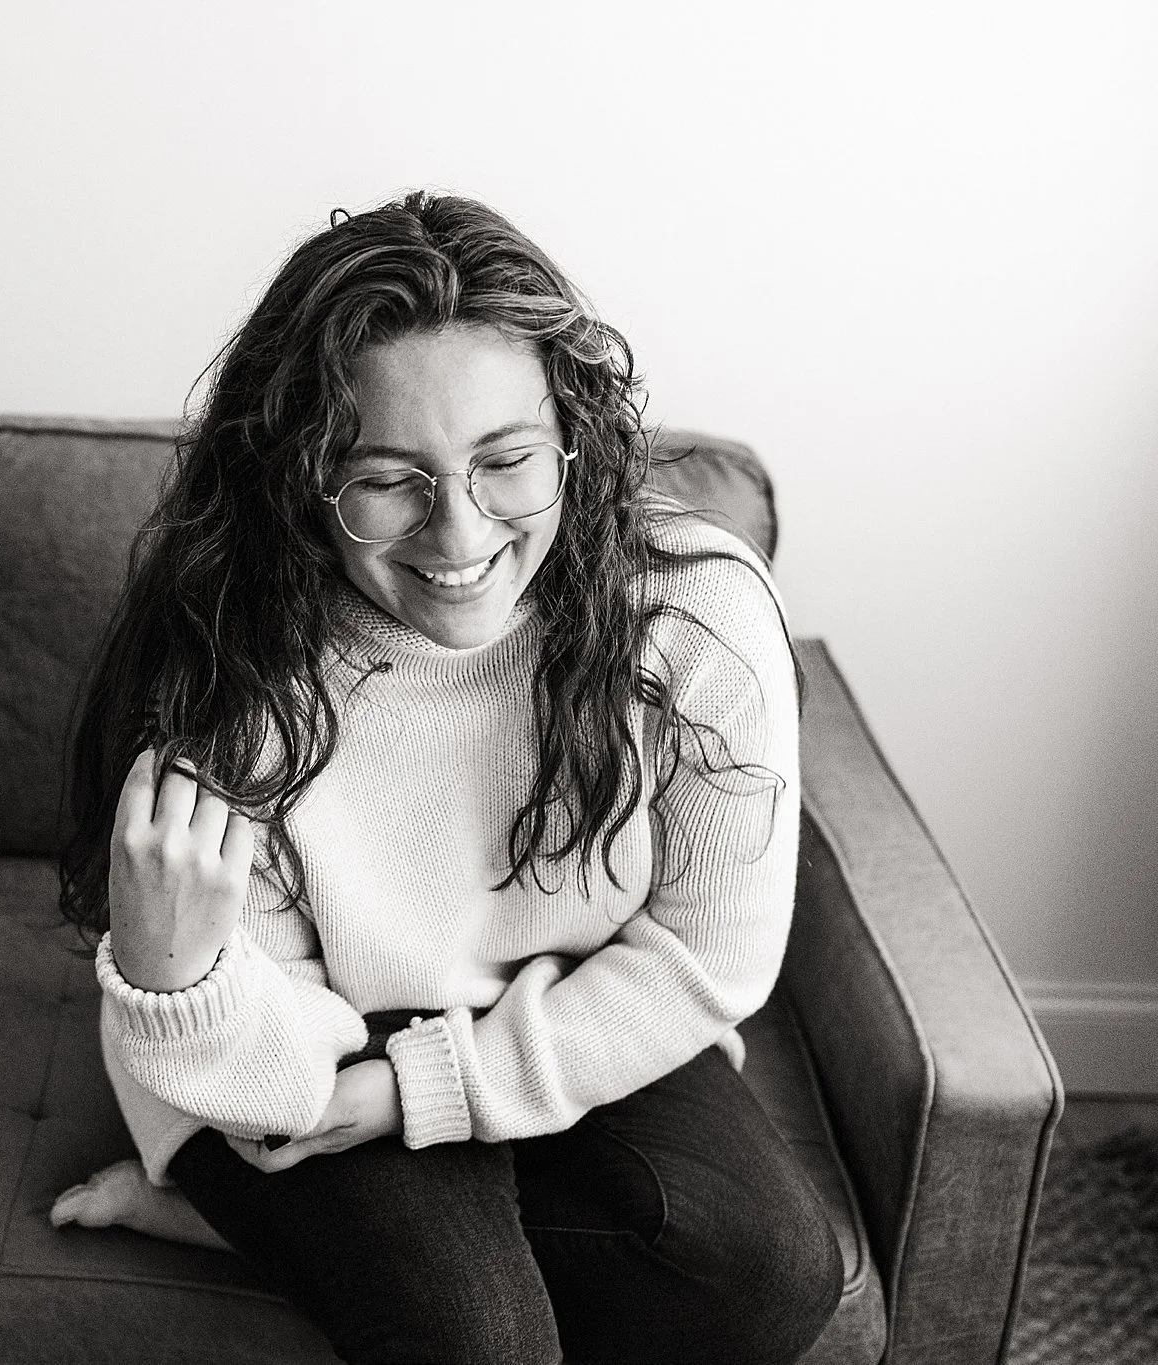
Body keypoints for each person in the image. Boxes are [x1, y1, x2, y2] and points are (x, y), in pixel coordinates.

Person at [46, 192, 843, 1365]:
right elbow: (267, 1078)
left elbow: (706, 960)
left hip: (560, 991)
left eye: (506, 462)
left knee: (772, 1275)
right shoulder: (232, 661)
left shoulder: (697, 610)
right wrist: (171, 974)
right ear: (303, 474)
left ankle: (238, 1237)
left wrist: (429, 1088)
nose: (458, 536)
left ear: (571, 434)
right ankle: (229, 1206)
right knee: (474, 1339)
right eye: (386, 478)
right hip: (292, 1036)